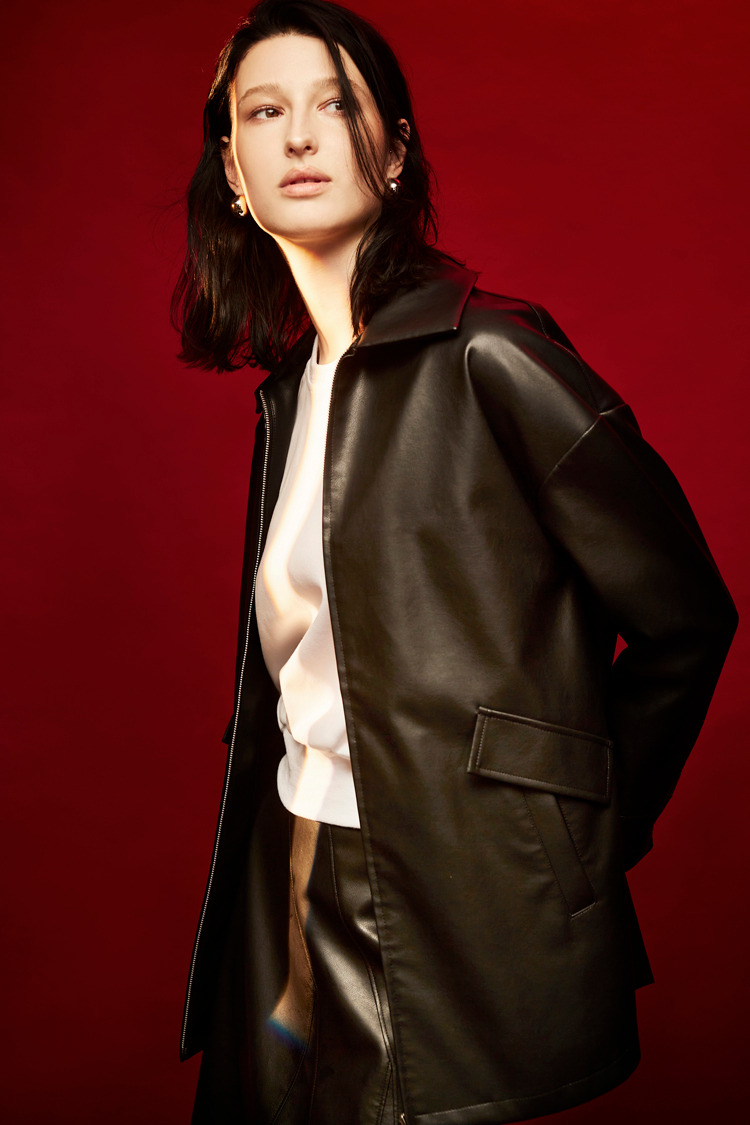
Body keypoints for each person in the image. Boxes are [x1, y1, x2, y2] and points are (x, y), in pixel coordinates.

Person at [172, 2, 737, 1122]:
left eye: (336, 105)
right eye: (265, 112)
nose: (300, 135)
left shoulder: (493, 356)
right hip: (286, 877)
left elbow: (688, 617)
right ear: (233, 170)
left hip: (451, 897)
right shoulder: (290, 399)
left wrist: (567, 837)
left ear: (394, 151)